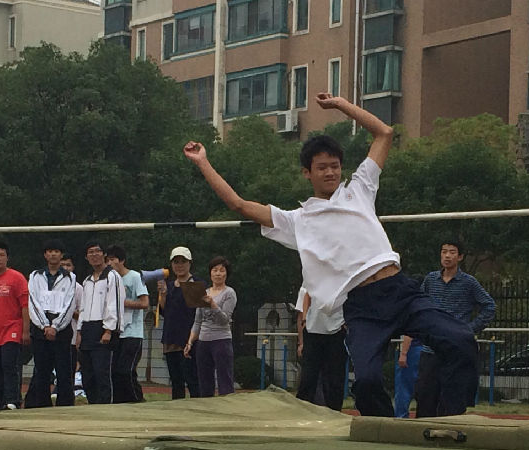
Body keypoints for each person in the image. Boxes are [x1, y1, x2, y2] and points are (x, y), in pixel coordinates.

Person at [183, 93, 478, 416]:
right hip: (362, 307)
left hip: (400, 291)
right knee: (366, 382)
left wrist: (341, 105)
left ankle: (452, 419)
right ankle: (383, 429)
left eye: (335, 166)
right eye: (322, 168)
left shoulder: (360, 189)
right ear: (307, 173)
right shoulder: (297, 220)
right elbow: (238, 204)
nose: (330, 173)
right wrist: (203, 162)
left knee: (461, 338)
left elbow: (384, 133)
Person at [413, 239, 496, 417]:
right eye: (444, 251)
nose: (447, 256)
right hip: (432, 348)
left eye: (452, 252)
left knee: (452, 400)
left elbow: (489, 306)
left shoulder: (468, 282)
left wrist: (469, 329)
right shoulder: (430, 279)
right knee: (425, 395)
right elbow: (419, 303)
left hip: (456, 350)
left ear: (460, 257)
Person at [25, 239, 77, 408]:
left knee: (64, 372)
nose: (53, 254)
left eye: (57, 251)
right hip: (40, 329)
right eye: (50, 251)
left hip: (62, 330)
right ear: (45, 255)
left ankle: (65, 406)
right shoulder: (35, 275)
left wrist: (55, 326)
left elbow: (69, 304)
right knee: (42, 371)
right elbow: (33, 301)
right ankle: (42, 405)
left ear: (61, 255)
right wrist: (44, 325)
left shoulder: (70, 277)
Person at [0, 240, 30, 411]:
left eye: (2, 255)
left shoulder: (16, 278)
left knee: (9, 365)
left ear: (8, 258)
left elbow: (25, 306)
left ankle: (12, 400)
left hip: (12, 329)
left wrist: (25, 331)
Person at [76, 241, 125, 404]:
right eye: (90, 252)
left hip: (103, 329)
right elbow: (83, 307)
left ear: (104, 254)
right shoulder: (87, 280)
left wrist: (109, 330)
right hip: (87, 328)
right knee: (88, 374)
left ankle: (105, 406)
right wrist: (79, 331)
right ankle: (92, 404)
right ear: (86, 257)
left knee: (102, 373)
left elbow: (114, 304)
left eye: (97, 251)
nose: (94, 255)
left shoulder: (112, 276)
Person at [184, 256, 236, 397]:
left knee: (225, 380)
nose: (218, 274)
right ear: (210, 273)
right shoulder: (204, 292)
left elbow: (225, 320)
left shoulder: (229, 293)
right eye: (215, 270)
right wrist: (190, 342)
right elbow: (198, 321)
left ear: (226, 274)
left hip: (221, 340)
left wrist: (213, 305)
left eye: (222, 270)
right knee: (204, 381)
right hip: (203, 341)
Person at [155, 246, 202, 400]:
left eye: (183, 261)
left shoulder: (195, 283)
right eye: (176, 262)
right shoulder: (168, 286)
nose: (179, 265)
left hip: (189, 339)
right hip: (171, 338)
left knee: (192, 379)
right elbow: (164, 311)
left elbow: (197, 313)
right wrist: (163, 294)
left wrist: (192, 339)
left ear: (190, 263)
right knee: (176, 381)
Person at [106, 244, 149, 403]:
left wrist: (122, 302)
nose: (110, 263)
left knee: (126, 370)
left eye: (113, 259)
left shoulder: (135, 277)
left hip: (132, 332)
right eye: (108, 260)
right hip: (116, 331)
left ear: (122, 260)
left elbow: (145, 303)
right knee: (114, 371)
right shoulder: (109, 279)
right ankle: (119, 402)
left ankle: (137, 399)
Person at [295, 285, 346, 411]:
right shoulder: (310, 280)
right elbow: (305, 299)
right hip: (312, 331)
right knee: (308, 377)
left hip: (336, 330)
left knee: (334, 378)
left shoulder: (343, 279)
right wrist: (305, 322)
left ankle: (334, 412)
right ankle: (302, 411)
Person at [60, 253, 83, 391]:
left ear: (73, 267)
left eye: (68, 265)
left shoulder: (78, 288)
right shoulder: (49, 284)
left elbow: (83, 314)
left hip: (71, 336)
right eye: (62, 265)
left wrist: (68, 312)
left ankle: (68, 393)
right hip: (52, 335)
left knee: (68, 368)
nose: (65, 268)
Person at [393, 337, 422, 418]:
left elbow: (408, 334)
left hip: (411, 348)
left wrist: (403, 353)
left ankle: (401, 418)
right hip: (420, 348)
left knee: (403, 387)